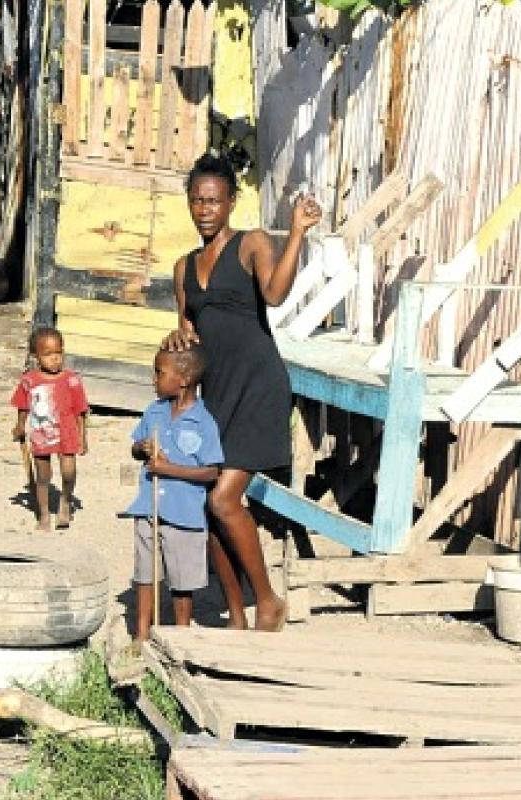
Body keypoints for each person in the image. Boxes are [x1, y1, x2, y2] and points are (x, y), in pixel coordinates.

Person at [165, 153, 322, 632]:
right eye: (197, 200)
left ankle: (268, 600)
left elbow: (274, 295)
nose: (205, 209)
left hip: (257, 385)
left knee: (223, 500)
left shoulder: (252, 242)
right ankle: (236, 614)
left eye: (214, 200)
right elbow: (188, 334)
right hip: (215, 393)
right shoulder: (183, 268)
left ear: (231, 202)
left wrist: (296, 232)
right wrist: (173, 343)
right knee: (206, 504)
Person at [122, 346, 223, 642]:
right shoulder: (154, 411)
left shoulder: (204, 422)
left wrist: (169, 469)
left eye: (159, 373)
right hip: (148, 507)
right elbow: (134, 446)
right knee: (145, 572)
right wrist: (141, 449)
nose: (153, 380)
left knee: (181, 582)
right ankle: (141, 635)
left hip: (184, 515)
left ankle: (180, 637)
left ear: (184, 378)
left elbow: (211, 471)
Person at [11, 327, 90, 531]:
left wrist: (83, 437)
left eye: (58, 353)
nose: (55, 359)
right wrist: (20, 425)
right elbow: (23, 405)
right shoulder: (29, 380)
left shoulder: (72, 380)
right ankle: (44, 514)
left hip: (67, 432)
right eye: (48, 354)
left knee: (69, 471)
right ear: (36, 356)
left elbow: (81, 411)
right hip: (41, 434)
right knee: (43, 476)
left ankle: (65, 501)